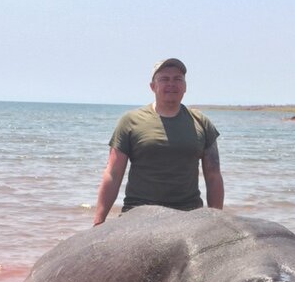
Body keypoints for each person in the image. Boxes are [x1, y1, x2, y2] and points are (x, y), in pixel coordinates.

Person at [93, 58, 224, 225]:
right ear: (153, 86)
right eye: (164, 79)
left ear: (185, 86)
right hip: (137, 213)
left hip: (188, 214)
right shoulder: (130, 121)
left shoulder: (201, 122)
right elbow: (113, 173)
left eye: (178, 79)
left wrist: (217, 221)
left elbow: (213, 175)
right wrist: (99, 221)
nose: (172, 84)